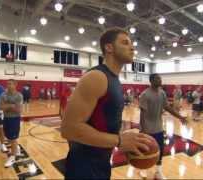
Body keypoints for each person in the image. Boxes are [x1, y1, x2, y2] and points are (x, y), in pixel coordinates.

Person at [61, 28, 153, 179]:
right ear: (109, 47)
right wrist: (119, 140)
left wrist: (120, 137)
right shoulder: (97, 77)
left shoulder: (114, 80)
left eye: (132, 44)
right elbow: (68, 129)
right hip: (83, 169)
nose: (132, 47)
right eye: (125, 43)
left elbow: (100, 124)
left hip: (101, 164)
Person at [138, 74, 187, 179]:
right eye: (157, 79)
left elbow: (168, 107)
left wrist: (180, 117)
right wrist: (142, 129)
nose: (160, 80)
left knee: (160, 150)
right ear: (151, 81)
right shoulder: (145, 95)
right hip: (147, 128)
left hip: (159, 128)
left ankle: (158, 172)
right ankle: (143, 169)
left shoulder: (162, 93)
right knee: (145, 150)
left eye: (160, 78)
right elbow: (142, 114)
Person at [0, 79, 23, 167]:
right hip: (6, 118)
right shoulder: (3, 95)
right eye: (7, 84)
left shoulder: (19, 96)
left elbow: (18, 110)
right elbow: (0, 107)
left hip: (15, 119)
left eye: (10, 84)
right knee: (8, 137)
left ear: (15, 85)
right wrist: (11, 105)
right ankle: (16, 147)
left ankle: (13, 157)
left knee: (13, 138)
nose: (8, 85)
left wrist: (6, 106)